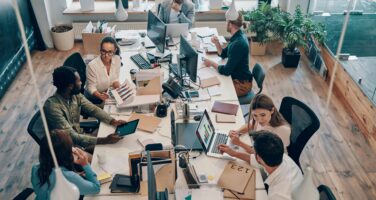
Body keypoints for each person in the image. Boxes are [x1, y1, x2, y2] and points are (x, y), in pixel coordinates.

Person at [44, 66, 126, 152]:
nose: (81, 82)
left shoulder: (74, 95)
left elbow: (93, 109)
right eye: (79, 81)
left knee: (113, 135)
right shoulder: (53, 107)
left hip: (81, 136)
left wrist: (113, 121)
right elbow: (72, 136)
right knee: (110, 150)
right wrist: (105, 140)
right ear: (70, 86)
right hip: (70, 148)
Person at [220, 131, 303, 200]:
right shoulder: (279, 154)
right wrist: (234, 153)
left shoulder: (277, 194)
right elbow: (255, 159)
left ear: (258, 157)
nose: (252, 150)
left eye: (254, 151)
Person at [217, 94, 291, 160]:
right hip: (258, 152)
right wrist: (236, 132)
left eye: (263, 115)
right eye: (255, 115)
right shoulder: (259, 120)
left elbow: (259, 154)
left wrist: (239, 143)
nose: (259, 120)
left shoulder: (283, 130)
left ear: (272, 110)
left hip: (272, 162)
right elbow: (250, 125)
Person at [31, 130, 100, 199]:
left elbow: (45, 188)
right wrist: (85, 164)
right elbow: (96, 188)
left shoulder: (35, 169)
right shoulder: (70, 176)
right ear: (67, 153)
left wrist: (76, 176)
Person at [203, 12, 253, 97]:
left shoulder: (238, 43)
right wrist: (216, 43)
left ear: (230, 24)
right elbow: (223, 54)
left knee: (218, 93)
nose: (225, 24)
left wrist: (211, 63)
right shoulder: (237, 36)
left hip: (242, 84)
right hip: (236, 78)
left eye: (226, 22)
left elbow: (226, 71)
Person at [85, 37, 121, 104]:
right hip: (93, 97)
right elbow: (91, 87)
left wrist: (119, 88)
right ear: (100, 50)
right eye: (103, 51)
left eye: (110, 52)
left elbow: (115, 79)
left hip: (107, 93)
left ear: (115, 50)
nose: (106, 55)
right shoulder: (92, 66)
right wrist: (100, 96)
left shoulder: (117, 59)